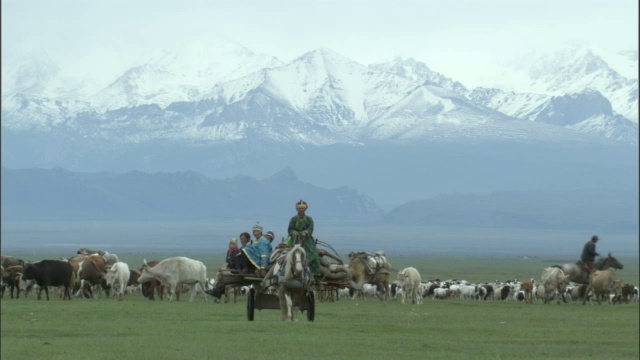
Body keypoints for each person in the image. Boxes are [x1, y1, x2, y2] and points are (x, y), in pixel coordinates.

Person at [287, 199, 321, 275]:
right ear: (297, 209)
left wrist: (306, 232)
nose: (301, 210)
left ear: (305, 209)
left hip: (307, 241)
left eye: (303, 208)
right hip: (295, 240)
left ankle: (313, 273)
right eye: (299, 208)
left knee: (314, 255)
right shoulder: (293, 219)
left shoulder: (309, 219)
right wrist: (293, 232)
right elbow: (290, 229)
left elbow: (311, 228)